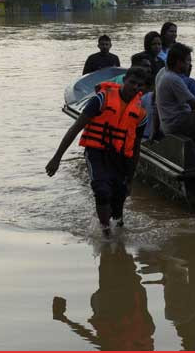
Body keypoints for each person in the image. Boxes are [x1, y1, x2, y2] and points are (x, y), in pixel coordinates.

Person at [47, 67, 148, 235]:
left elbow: (136, 147)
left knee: (119, 200)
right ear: (124, 80)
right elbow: (76, 127)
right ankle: (105, 233)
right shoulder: (101, 99)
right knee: (102, 190)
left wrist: (130, 179)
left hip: (121, 158)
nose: (135, 88)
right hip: (96, 152)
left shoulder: (140, 114)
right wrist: (57, 158)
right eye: (132, 83)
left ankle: (118, 233)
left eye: (139, 85)